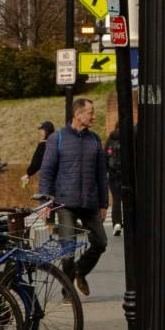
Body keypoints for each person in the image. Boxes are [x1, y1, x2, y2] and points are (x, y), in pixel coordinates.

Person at [38, 98, 108, 296]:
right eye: (90, 112)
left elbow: (101, 174)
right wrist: (45, 201)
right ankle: (68, 291)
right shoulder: (57, 138)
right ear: (78, 114)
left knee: (101, 243)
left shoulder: (94, 139)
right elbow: (47, 171)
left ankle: (80, 271)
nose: (93, 116)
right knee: (67, 250)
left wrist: (104, 203)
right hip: (65, 203)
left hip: (90, 202)